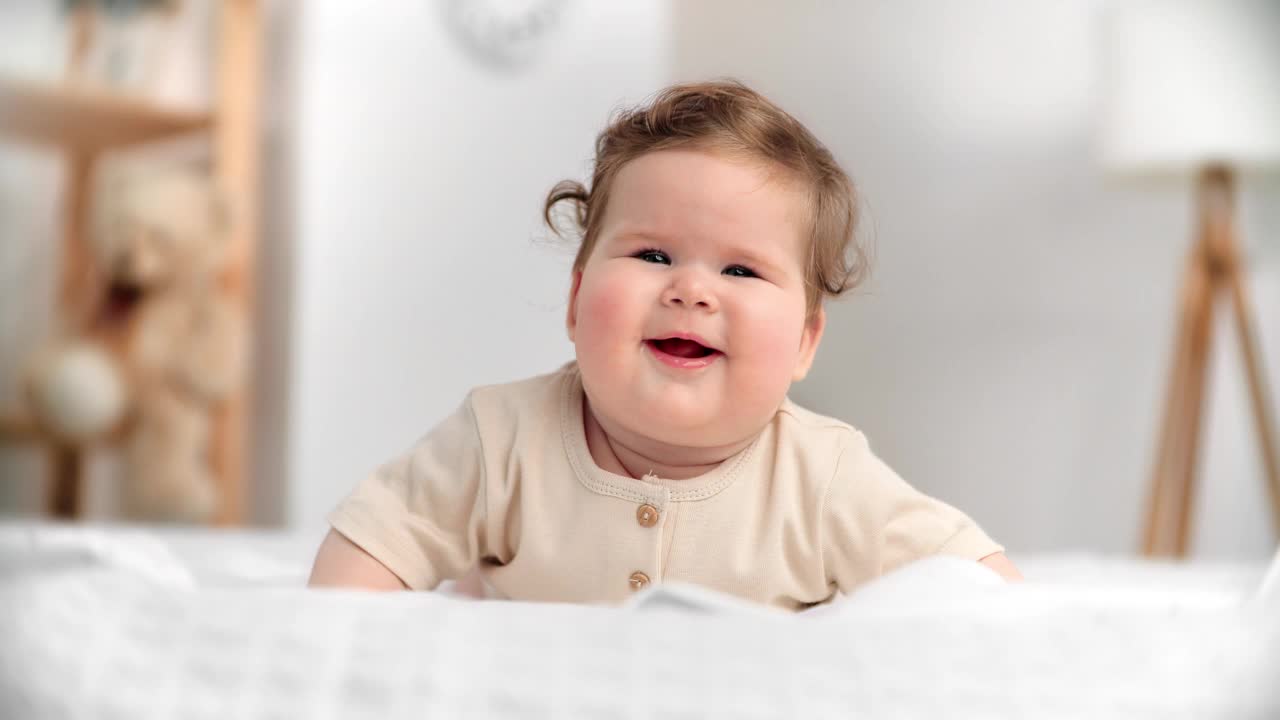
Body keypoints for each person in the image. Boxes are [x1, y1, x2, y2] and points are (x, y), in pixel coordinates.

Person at [308, 80, 1021, 609]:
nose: (690, 290)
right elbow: (371, 552)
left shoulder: (824, 477)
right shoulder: (500, 438)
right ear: (576, 301)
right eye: (652, 256)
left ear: (805, 343)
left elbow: (978, 587)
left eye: (740, 270)